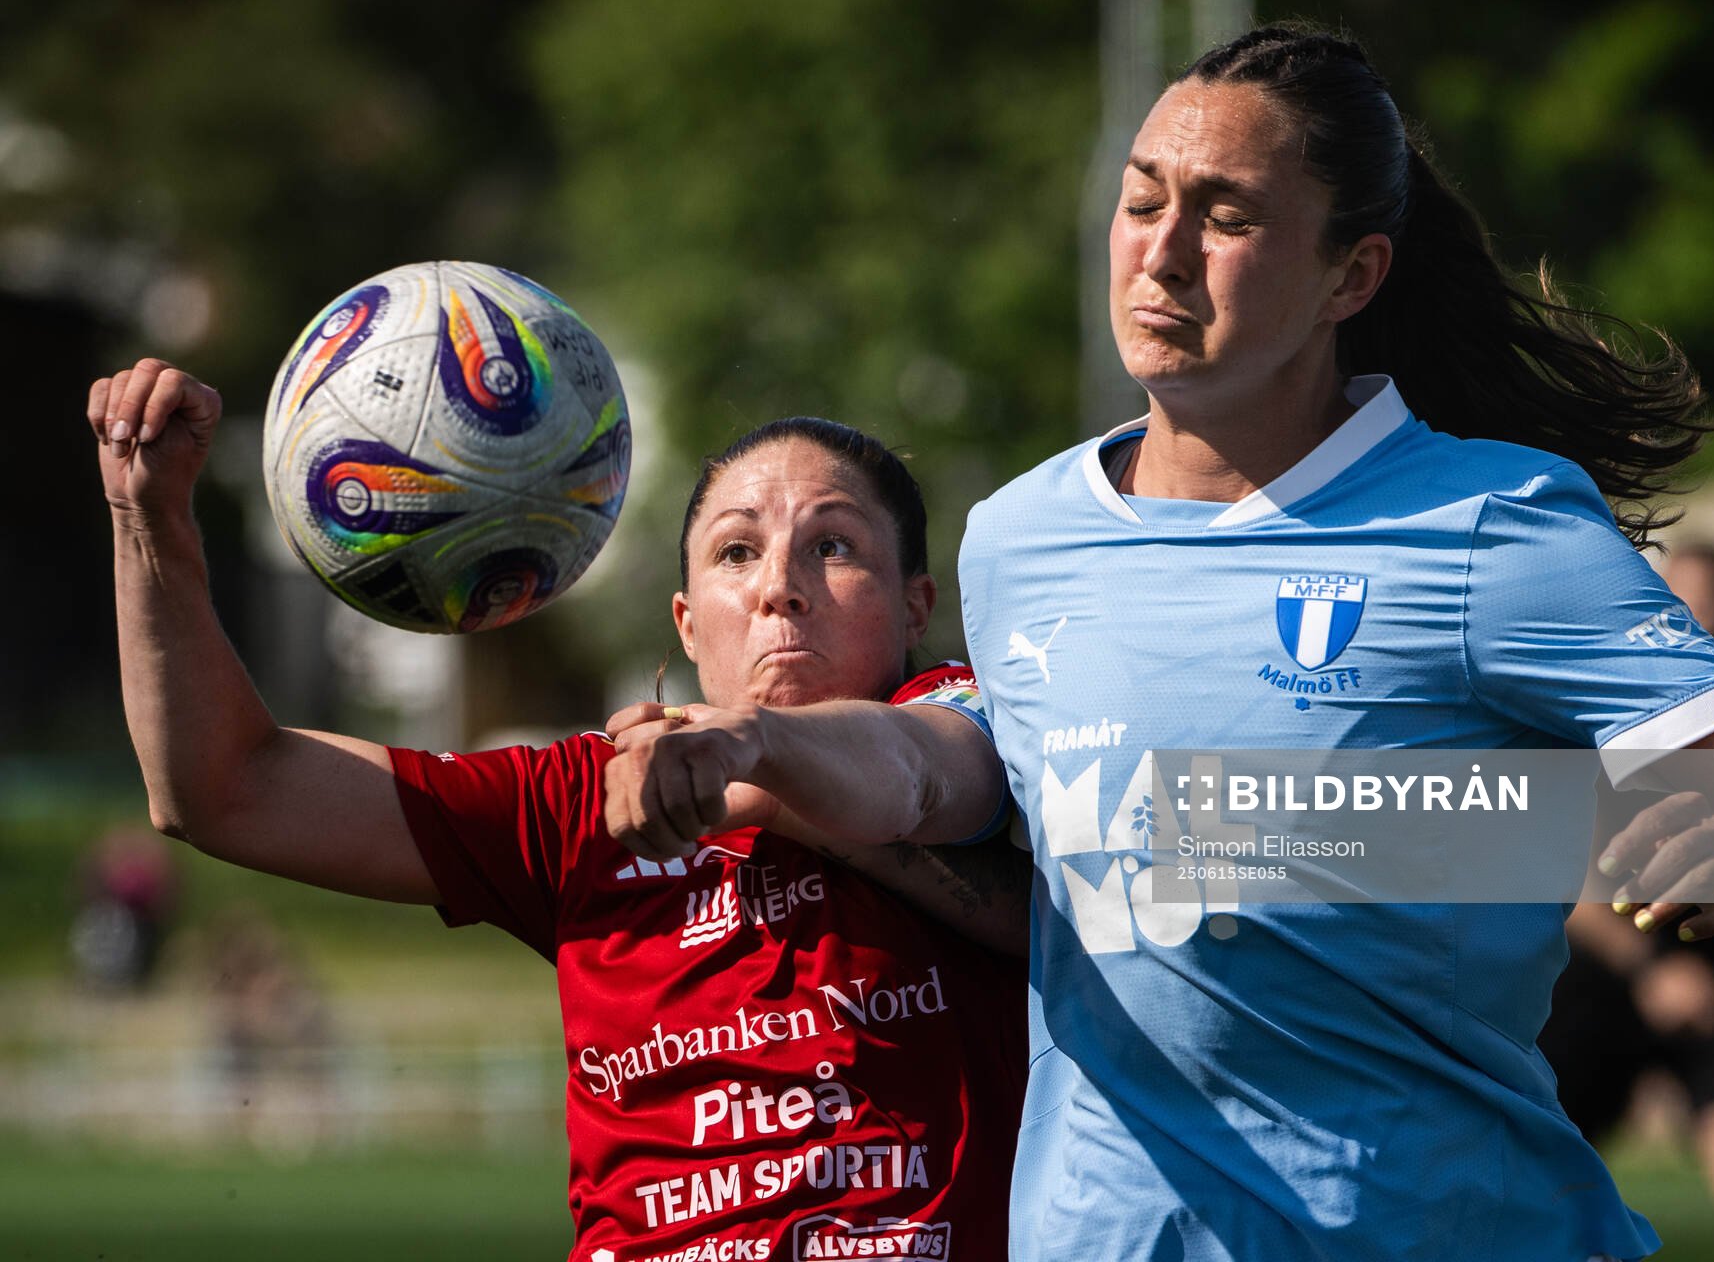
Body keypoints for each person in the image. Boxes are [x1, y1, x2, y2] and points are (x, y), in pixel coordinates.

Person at [955, 22, 1714, 1261]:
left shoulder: (1485, 526)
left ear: (1353, 277)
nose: (1163, 254)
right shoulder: (1014, 542)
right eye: (1142, 201)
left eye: (1227, 218)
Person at [90, 359, 1027, 1262]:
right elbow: (224, 790)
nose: (779, 583)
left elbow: (923, 773)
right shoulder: (584, 801)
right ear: (688, 622)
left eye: (834, 546)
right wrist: (150, 517)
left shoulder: (976, 723)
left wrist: (753, 755)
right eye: (736, 551)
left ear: (916, 608)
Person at [1542, 545, 1714, 1262]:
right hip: (1604, 965)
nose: (1702, 617)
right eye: (1685, 600)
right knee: (1539, 1183)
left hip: (1711, 963)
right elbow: (1570, 875)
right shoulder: (1592, 705)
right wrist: (1648, 970)